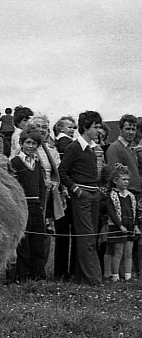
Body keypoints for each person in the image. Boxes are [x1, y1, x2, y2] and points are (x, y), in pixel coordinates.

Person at [58, 110, 103, 285]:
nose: (98, 130)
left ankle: (82, 275)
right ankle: (92, 278)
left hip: (94, 194)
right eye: (95, 127)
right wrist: (75, 189)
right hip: (82, 195)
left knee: (91, 236)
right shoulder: (74, 147)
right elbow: (62, 171)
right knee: (86, 237)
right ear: (85, 128)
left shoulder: (93, 148)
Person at [9, 129, 47, 281]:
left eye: (34, 144)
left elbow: (41, 186)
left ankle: (38, 275)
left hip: (36, 206)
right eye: (28, 143)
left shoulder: (37, 163)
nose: (30, 146)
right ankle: (22, 276)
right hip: (22, 207)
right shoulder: (15, 162)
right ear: (21, 143)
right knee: (23, 244)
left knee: (38, 242)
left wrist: (42, 205)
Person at [101, 164, 139, 282]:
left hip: (129, 226)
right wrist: (120, 225)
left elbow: (134, 212)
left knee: (128, 253)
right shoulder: (112, 195)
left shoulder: (131, 196)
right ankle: (115, 275)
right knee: (118, 252)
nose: (126, 182)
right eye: (123, 179)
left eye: (128, 179)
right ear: (115, 180)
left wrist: (136, 225)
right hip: (117, 227)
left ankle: (128, 275)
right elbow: (112, 212)